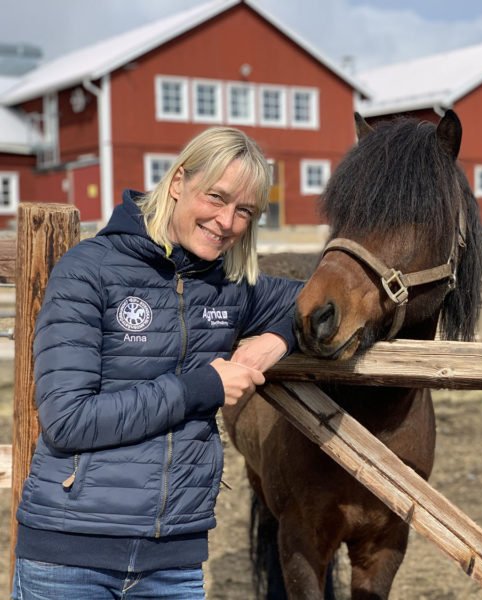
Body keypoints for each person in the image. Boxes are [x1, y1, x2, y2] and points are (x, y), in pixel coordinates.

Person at [11, 126, 304, 599]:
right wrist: (202, 388)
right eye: (216, 197)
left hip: (173, 565)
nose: (226, 221)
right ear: (177, 182)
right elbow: (67, 420)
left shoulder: (229, 287)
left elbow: (321, 301)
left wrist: (277, 338)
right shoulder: (90, 270)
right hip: (69, 559)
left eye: (244, 211)